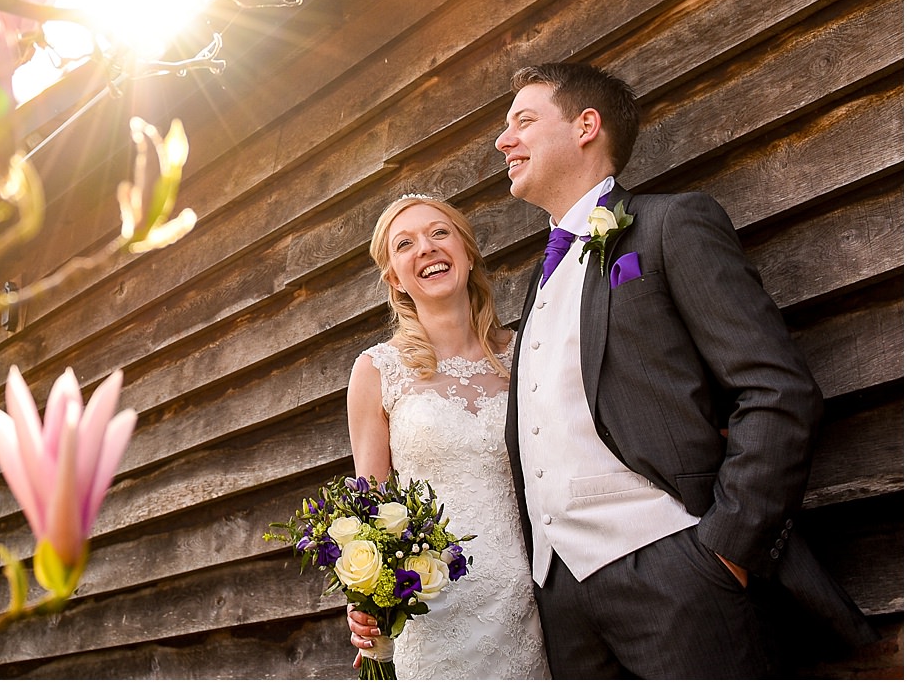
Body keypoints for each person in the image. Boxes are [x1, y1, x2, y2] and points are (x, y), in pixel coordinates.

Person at [494, 61, 873, 676]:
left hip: (678, 570)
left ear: (586, 126)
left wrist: (727, 547)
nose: (503, 141)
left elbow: (776, 388)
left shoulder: (672, 224)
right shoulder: (536, 282)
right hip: (562, 598)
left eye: (524, 122)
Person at [344, 194, 549, 679]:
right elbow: (368, 513)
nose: (427, 249)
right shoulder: (377, 370)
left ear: (467, 250)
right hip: (436, 613)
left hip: (533, 601)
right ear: (394, 276)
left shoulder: (525, 352)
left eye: (440, 233)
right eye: (406, 244)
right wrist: (365, 604)